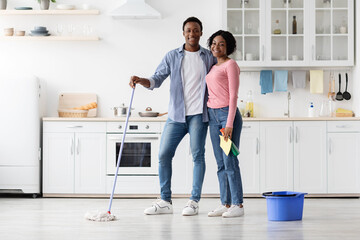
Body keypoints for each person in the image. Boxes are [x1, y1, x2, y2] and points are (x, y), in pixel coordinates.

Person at [129, 17, 216, 216]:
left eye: (195, 30)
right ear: (183, 33)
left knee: (197, 155)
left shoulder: (208, 57)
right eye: (188, 30)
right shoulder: (172, 56)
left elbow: (220, 76)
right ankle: (165, 201)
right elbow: (157, 79)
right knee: (163, 154)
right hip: (176, 115)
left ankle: (193, 201)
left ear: (201, 33)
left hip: (198, 116)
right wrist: (141, 80)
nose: (192, 34)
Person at [205, 30, 244, 218]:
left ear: (228, 46)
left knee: (230, 160)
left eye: (221, 44)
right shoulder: (213, 66)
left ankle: (238, 204)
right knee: (220, 163)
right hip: (213, 117)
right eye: (213, 43)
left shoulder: (231, 65)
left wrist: (228, 124)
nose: (216, 47)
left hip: (226, 116)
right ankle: (225, 202)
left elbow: (233, 96)